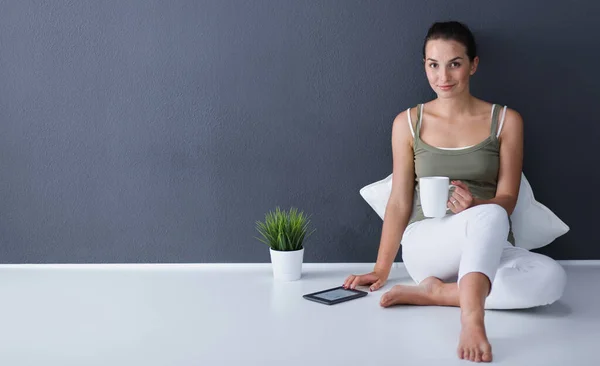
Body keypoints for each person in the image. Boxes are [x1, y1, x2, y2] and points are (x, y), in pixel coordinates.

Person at [343, 21, 567, 363]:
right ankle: (472, 320)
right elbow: (401, 200)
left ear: (473, 65)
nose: (443, 76)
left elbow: (507, 199)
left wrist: (476, 205)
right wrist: (381, 266)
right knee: (490, 216)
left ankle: (437, 293)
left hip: (486, 241)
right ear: (424, 67)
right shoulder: (408, 122)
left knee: (551, 279)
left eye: (455, 63)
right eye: (433, 65)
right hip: (428, 244)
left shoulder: (507, 121)